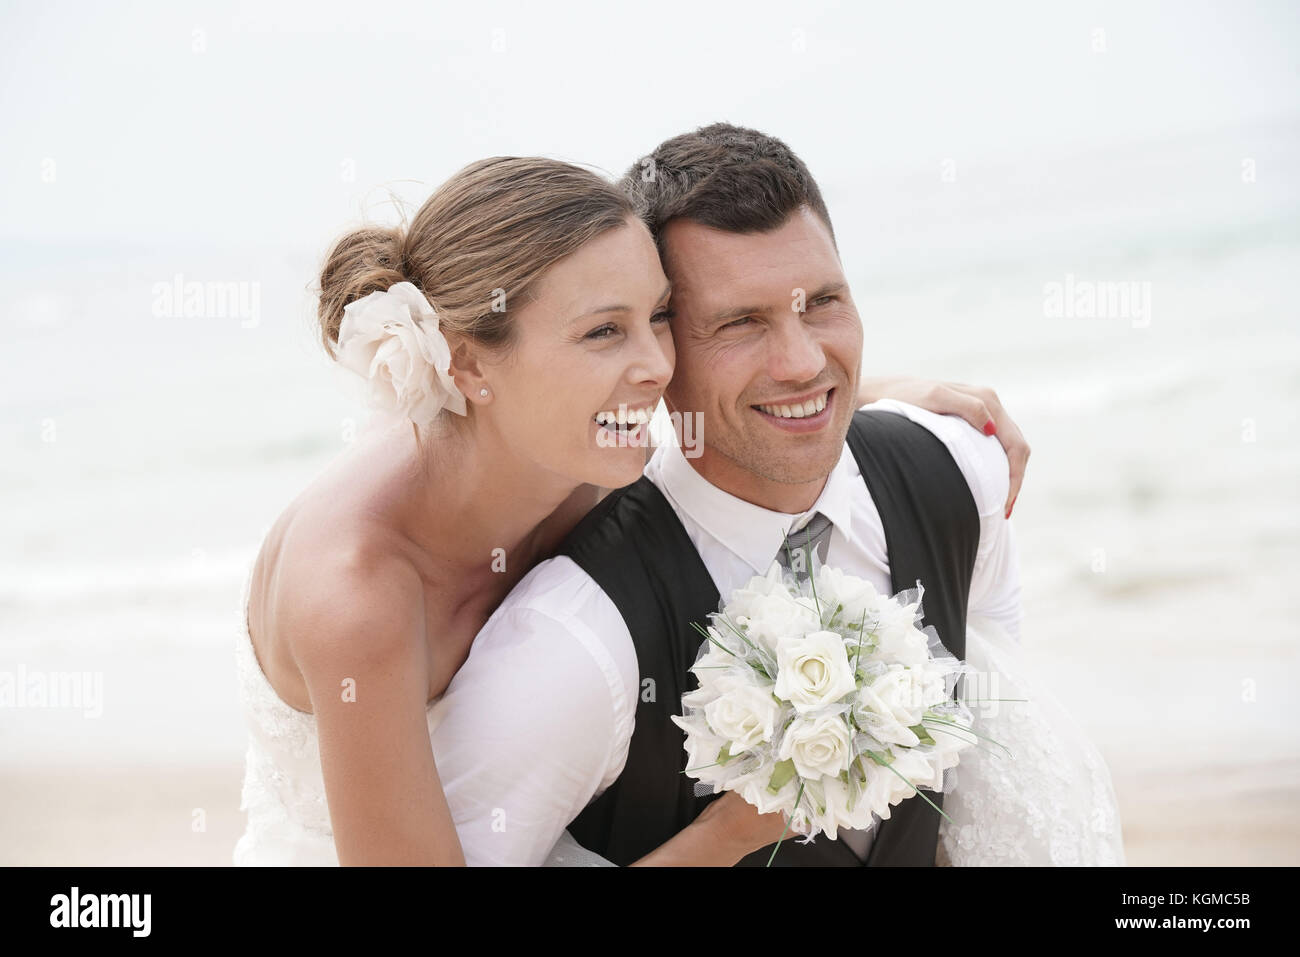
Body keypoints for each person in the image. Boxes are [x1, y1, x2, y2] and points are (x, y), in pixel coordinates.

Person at [232, 154, 1030, 866]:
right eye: (604, 332)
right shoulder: (357, 599)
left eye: (657, 317)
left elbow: (739, 399)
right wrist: (725, 836)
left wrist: (873, 393)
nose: (653, 365)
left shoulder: (570, 445)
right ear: (468, 361)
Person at [427, 124, 1123, 867]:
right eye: (741, 322)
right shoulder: (571, 642)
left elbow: (996, 747)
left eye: (822, 302)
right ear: (659, 349)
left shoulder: (962, 471)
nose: (801, 361)